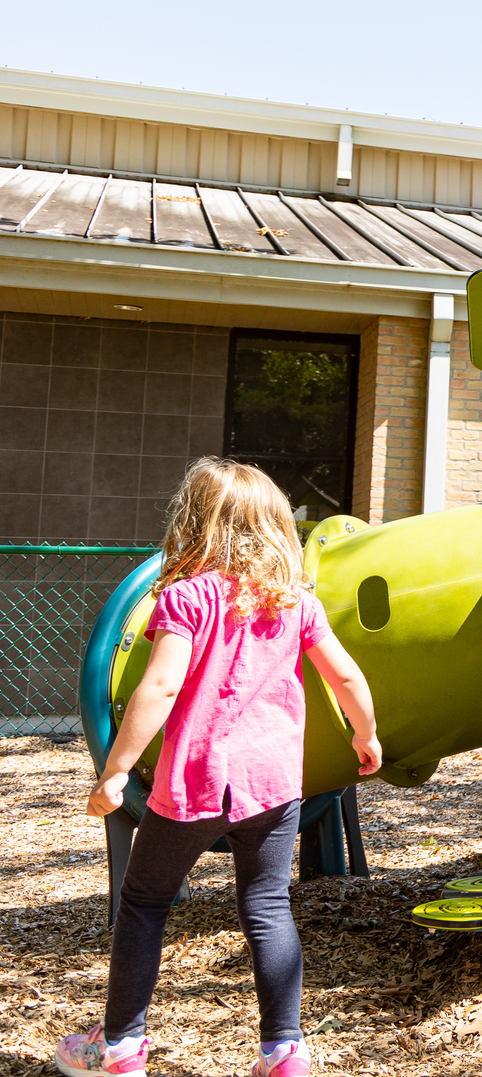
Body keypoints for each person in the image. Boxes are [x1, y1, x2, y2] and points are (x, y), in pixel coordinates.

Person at [57, 459, 382, 1077]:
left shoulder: (186, 598)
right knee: (266, 906)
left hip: (197, 781)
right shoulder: (295, 602)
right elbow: (345, 674)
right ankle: (284, 1052)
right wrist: (365, 736)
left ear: (194, 523)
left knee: (146, 902)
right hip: (275, 785)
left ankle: (121, 1045)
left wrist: (116, 770)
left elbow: (158, 687)